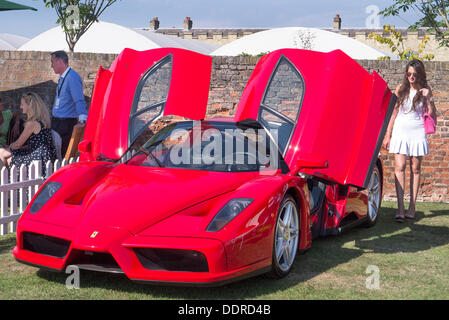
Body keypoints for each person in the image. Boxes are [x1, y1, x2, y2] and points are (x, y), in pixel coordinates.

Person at [383, 59, 437, 222]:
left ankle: (412, 206)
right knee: (400, 166)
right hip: (400, 130)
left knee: (415, 168)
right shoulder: (401, 89)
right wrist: (388, 134)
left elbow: (432, 114)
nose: (411, 76)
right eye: (408, 73)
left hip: (417, 131)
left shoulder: (426, 90)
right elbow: (393, 113)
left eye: (414, 74)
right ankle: (400, 208)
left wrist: (429, 99)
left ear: (420, 74)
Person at [0, 92, 56, 168]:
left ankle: (4, 178)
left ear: (30, 105)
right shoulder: (43, 120)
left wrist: (8, 146)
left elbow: (17, 144)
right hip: (46, 157)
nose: (20, 107)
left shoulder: (31, 123)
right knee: (7, 154)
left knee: (1, 153)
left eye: (22, 104)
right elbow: (37, 143)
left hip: (37, 159)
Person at [50, 50, 88, 156]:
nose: (51, 66)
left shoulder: (72, 77)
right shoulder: (63, 77)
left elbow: (79, 99)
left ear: (60, 61)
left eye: (52, 62)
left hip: (65, 123)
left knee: (62, 154)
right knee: (57, 153)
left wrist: (82, 119)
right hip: (58, 122)